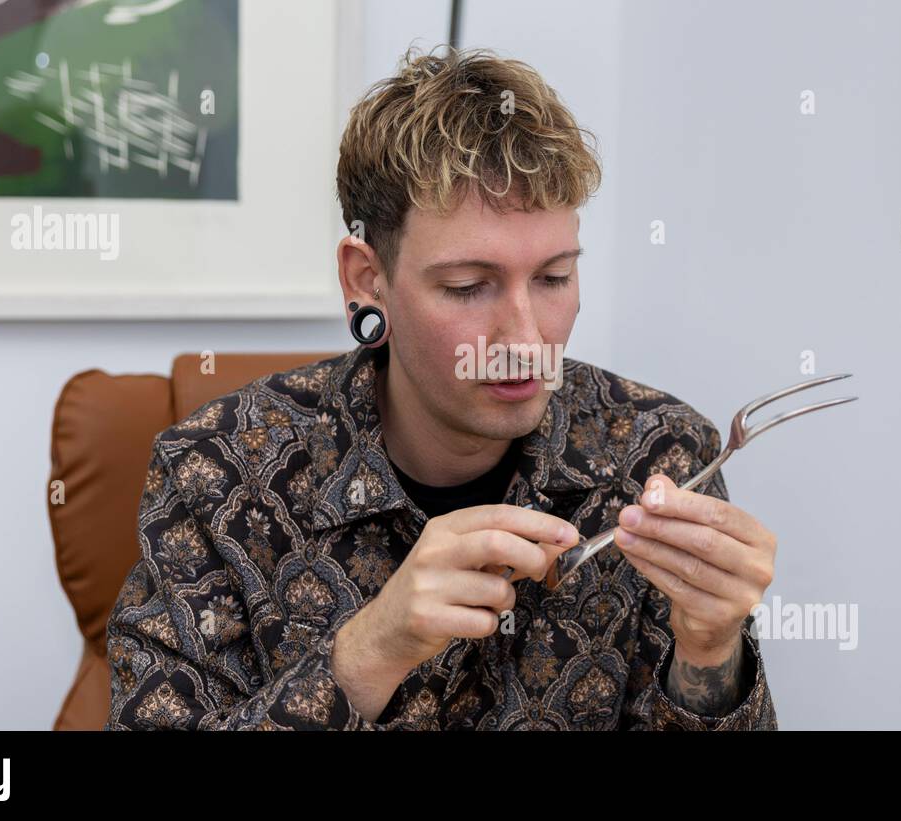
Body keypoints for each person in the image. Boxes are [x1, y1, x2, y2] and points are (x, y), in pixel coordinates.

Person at [105, 46, 778, 730]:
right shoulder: (215, 473)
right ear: (367, 279)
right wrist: (372, 649)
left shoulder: (659, 452)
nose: (525, 338)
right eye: (467, 287)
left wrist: (711, 652)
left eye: (553, 278)